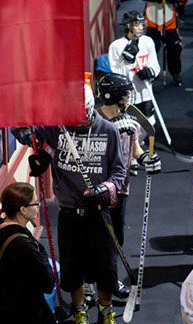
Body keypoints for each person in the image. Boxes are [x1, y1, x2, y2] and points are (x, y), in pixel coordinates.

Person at [12, 85, 127, 324]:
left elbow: (119, 172)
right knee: (73, 268)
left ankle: (106, 310)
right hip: (69, 211)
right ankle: (79, 309)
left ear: (90, 108)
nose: (77, 121)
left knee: (106, 268)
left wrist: (104, 190)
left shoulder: (108, 130)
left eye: (81, 116)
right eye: (72, 117)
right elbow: (21, 128)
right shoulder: (58, 127)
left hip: (98, 210)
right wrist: (35, 144)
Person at [96, 73, 162, 301]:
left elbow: (134, 147)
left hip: (120, 189)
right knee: (93, 238)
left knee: (116, 237)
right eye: (125, 92)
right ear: (114, 95)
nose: (128, 96)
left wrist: (145, 159)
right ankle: (88, 283)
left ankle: (111, 279)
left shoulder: (129, 119)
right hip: (96, 189)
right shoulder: (95, 120)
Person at [0, 182, 57, 324]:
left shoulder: (4, 229)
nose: (38, 206)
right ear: (22, 210)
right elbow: (48, 283)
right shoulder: (24, 245)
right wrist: (40, 249)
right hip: (25, 312)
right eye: (35, 203)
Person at [109, 10, 161, 125]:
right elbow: (115, 72)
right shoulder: (116, 46)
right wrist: (126, 60)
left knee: (150, 121)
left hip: (145, 90)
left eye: (142, 24)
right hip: (128, 94)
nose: (141, 28)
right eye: (136, 24)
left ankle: (142, 141)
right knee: (129, 123)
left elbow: (155, 65)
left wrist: (150, 72)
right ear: (128, 25)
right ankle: (133, 142)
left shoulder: (148, 41)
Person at [139, 0, 187, 85]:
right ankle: (151, 72)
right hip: (151, 20)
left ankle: (175, 72)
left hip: (169, 19)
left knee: (174, 47)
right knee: (150, 47)